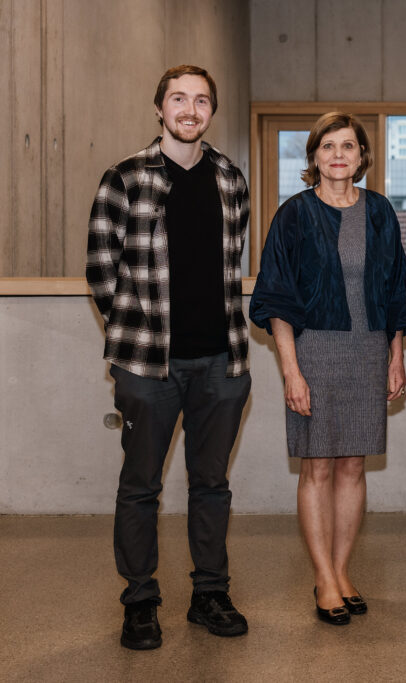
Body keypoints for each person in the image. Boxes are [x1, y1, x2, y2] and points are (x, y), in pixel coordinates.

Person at [87, 65, 251, 650]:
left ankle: (210, 593)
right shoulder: (125, 177)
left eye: (201, 100)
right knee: (140, 486)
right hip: (147, 367)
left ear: (212, 111)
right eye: (178, 98)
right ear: (159, 107)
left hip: (221, 363)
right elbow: (101, 270)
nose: (190, 109)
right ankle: (140, 600)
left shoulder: (230, 179)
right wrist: (136, 334)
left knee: (212, 484)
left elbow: (230, 264)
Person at [250, 112, 406, 626]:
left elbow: (395, 290)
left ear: (362, 156)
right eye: (328, 146)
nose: (338, 155)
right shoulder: (294, 214)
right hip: (313, 351)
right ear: (314, 156)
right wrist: (291, 371)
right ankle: (323, 577)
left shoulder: (380, 211)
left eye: (348, 146)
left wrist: (396, 358)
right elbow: (276, 298)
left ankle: (342, 571)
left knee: (353, 466)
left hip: (368, 351)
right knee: (317, 467)